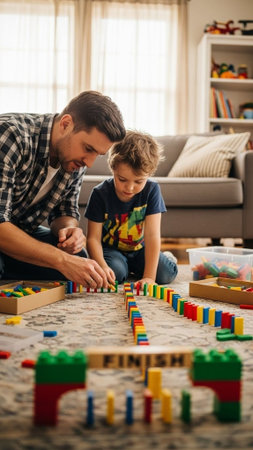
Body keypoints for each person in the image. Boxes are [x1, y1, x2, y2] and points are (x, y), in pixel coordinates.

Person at [0, 91, 125, 289]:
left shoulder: (74, 160)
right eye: (88, 148)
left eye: (98, 155)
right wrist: (61, 261)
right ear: (66, 124)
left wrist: (69, 230)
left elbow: (65, 211)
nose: (89, 163)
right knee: (66, 263)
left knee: (81, 261)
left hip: (19, 231)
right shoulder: (11, 135)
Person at [85, 130, 178, 289]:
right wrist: (103, 266)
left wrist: (149, 277)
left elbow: (152, 235)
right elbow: (93, 238)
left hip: (140, 249)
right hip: (112, 251)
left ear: (149, 175)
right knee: (115, 274)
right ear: (113, 169)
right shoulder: (100, 194)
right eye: (122, 179)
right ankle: (127, 268)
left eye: (138, 181)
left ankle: (165, 258)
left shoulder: (152, 190)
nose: (129, 187)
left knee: (165, 274)